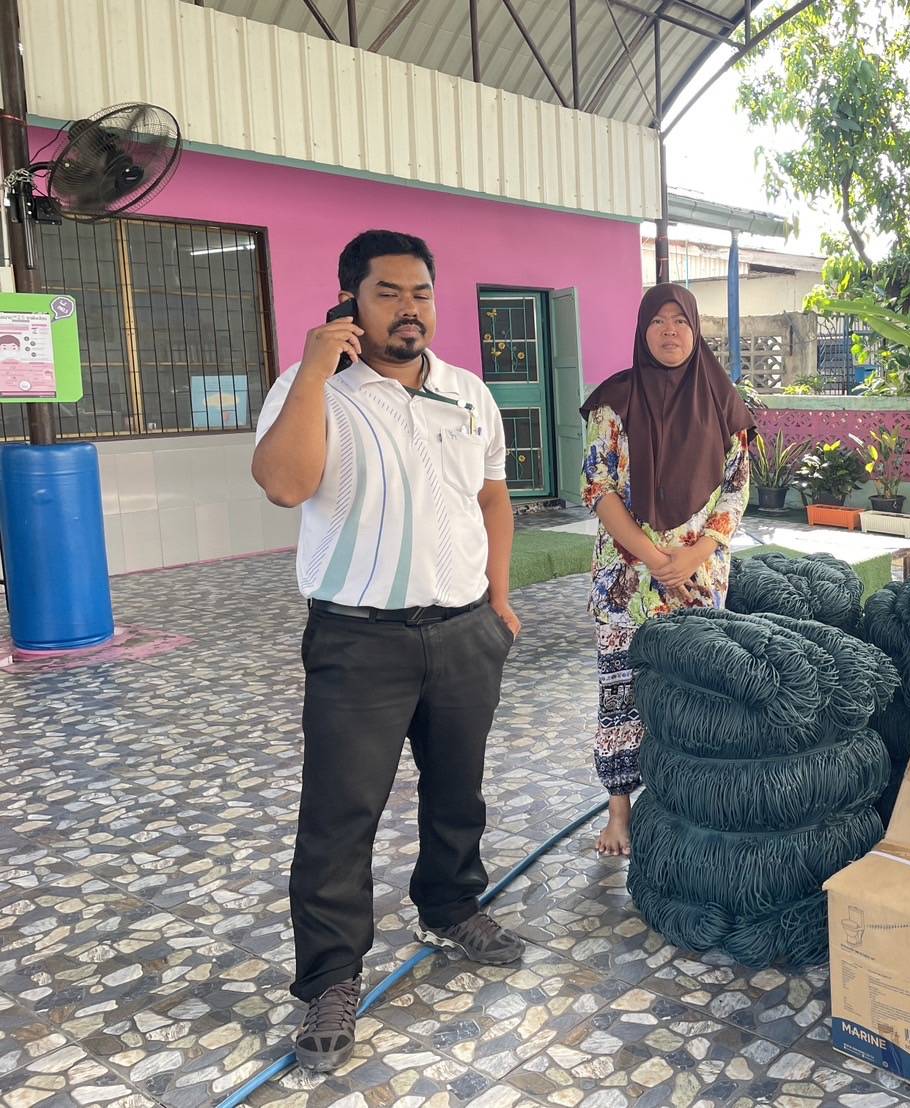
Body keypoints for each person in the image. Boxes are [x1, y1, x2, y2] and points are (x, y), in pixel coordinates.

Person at [251, 230, 524, 1073]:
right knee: (340, 815)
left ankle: (451, 906)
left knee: (457, 793)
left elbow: (492, 498)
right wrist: (313, 369)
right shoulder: (310, 390)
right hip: (358, 641)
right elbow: (284, 484)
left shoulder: (468, 392)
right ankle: (331, 978)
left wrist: (499, 601)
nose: (409, 309)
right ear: (349, 302)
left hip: (464, 632)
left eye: (421, 293)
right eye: (387, 293)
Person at [579, 283, 753, 856]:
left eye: (680, 320)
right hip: (627, 582)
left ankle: (686, 800)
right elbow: (598, 489)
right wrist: (655, 559)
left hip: (699, 579)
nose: (670, 331)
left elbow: (736, 490)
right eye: (658, 320)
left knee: (694, 692)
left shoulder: (723, 401)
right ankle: (619, 814)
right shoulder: (614, 401)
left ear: (696, 329)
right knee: (621, 691)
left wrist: (694, 556)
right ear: (642, 330)